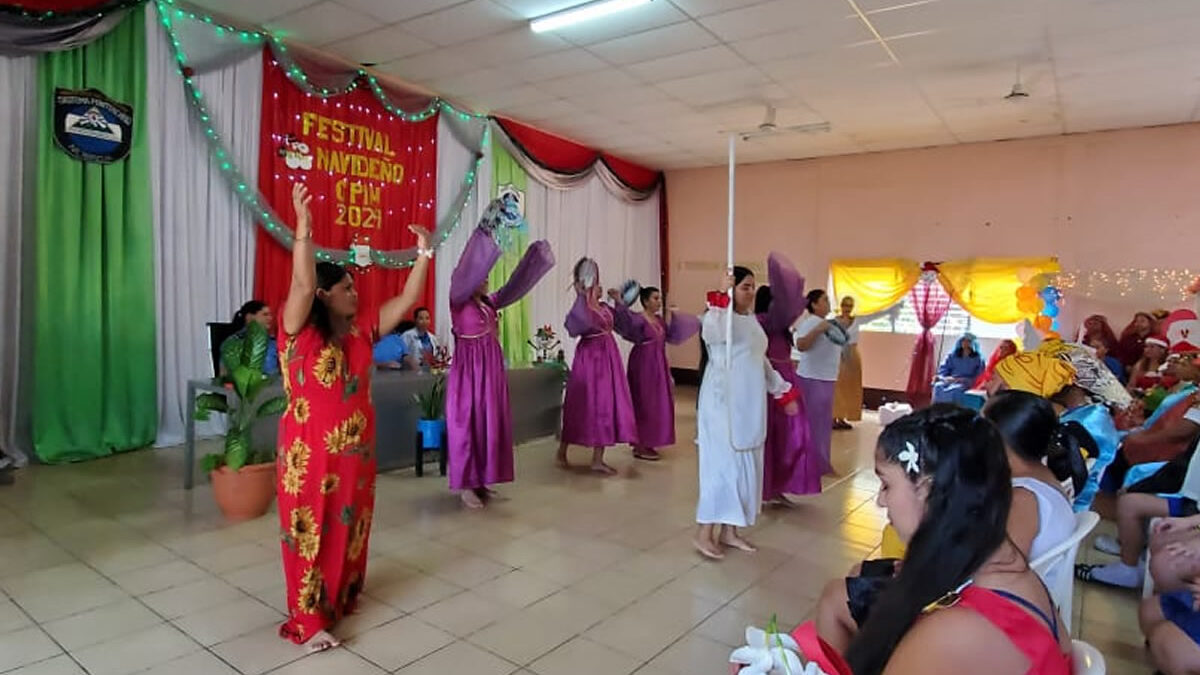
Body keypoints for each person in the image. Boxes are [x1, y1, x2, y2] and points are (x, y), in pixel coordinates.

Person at [275, 183, 432, 652]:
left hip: (355, 454)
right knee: (311, 531)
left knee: (350, 525)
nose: (354, 292)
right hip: (310, 455)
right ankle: (307, 620)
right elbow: (302, 283)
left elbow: (406, 301)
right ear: (324, 294)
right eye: (345, 287)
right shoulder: (296, 330)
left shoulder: (359, 331)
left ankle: (339, 598)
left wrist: (424, 253)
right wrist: (304, 229)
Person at [815, 392, 1082, 655]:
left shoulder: (1022, 499)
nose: (881, 501)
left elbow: (983, 565)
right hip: (988, 600)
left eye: (980, 423)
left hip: (980, 608)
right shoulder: (1038, 479)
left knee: (836, 596)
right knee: (861, 572)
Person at [447, 197, 554, 509]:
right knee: (468, 426)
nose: (485, 276)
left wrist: (533, 261)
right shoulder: (458, 300)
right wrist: (487, 230)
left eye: (486, 273)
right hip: (469, 376)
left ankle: (482, 481)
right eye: (480, 273)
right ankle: (466, 484)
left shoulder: (488, 303)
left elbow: (512, 288)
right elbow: (468, 267)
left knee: (487, 425)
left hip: (490, 373)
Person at [694, 265, 799, 560]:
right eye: (744, 287)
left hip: (749, 405)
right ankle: (704, 533)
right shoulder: (719, 318)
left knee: (745, 467)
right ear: (731, 289)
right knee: (722, 468)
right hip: (722, 405)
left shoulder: (750, 320)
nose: (751, 292)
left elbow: (759, 360)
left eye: (753, 287)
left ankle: (730, 531)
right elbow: (711, 335)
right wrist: (719, 299)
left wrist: (781, 390)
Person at [556, 258, 638, 475]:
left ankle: (597, 459)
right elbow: (575, 326)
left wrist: (619, 301)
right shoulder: (584, 307)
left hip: (608, 359)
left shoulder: (603, 308)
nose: (600, 285)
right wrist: (581, 296)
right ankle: (562, 451)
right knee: (582, 406)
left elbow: (623, 324)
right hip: (590, 360)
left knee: (606, 405)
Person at [756, 254, 822, 503]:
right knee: (773, 435)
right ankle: (767, 486)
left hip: (788, 379)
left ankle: (780, 483)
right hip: (771, 383)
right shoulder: (761, 322)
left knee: (792, 436)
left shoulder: (780, 326)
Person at [612, 284, 700, 461]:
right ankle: (640, 443)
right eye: (655, 298)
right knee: (643, 402)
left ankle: (649, 441)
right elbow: (624, 320)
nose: (658, 302)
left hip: (658, 365)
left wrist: (669, 311)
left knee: (656, 403)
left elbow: (670, 332)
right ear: (645, 301)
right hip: (643, 364)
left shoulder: (658, 321)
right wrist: (619, 302)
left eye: (659, 298)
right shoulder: (638, 319)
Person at [793, 289, 843, 475]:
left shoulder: (829, 323)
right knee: (814, 424)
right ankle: (812, 463)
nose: (828, 303)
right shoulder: (811, 323)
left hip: (825, 378)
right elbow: (801, 345)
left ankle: (820, 462)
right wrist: (818, 330)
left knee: (822, 423)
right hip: (812, 378)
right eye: (824, 300)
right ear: (814, 304)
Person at [221, 300, 279, 376]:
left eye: (270, 315)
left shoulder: (274, 342)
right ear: (249, 317)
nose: (270, 318)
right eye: (265, 314)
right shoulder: (233, 343)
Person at [832, 296, 863, 430]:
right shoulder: (833, 321)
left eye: (850, 306)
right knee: (837, 386)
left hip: (853, 355)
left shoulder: (857, 320)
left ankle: (844, 417)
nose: (847, 308)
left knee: (851, 386)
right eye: (845, 305)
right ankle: (834, 416)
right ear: (841, 306)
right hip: (837, 355)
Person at [931, 333, 984, 406]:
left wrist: (963, 380)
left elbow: (979, 376)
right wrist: (941, 377)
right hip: (949, 380)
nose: (965, 343)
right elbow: (944, 368)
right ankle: (937, 409)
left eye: (968, 341)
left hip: (964, 382)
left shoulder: (978, 359)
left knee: (955, 390)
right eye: (963, 340)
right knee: (938, 386)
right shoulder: (952, 355)